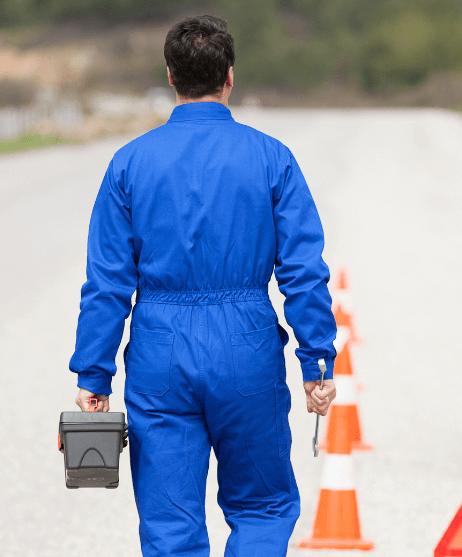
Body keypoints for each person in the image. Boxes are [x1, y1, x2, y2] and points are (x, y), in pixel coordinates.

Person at [68, 15, 337, 556]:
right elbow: (303, 272)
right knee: (261, 507)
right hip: (247, 345)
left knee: (169, 525)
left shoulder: (129, 163)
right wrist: (316, 363)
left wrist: (93, 370)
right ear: (230, 76)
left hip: (160, 350)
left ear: (170, 76)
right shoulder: (271, 158)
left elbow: (107, 281)